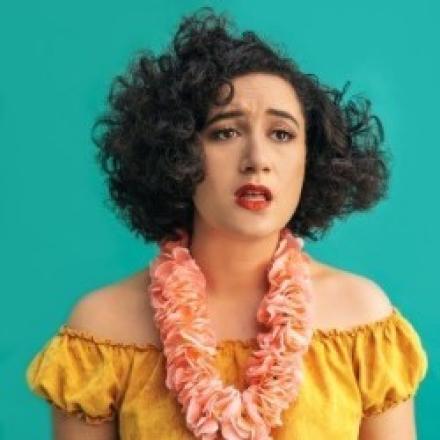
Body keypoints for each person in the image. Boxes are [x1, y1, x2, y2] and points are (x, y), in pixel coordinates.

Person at [26, 7, 428, 440]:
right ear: (178, 153)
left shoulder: (363, 320)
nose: (257, 160)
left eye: (281, 134)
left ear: (311, 159)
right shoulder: (101, 330)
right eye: (225, 132)